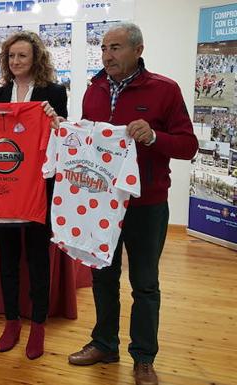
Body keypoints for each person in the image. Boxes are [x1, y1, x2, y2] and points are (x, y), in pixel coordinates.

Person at [66, 23, 198, 385]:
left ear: (139, 50)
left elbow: (188, 146)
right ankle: (104, 344)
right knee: (102, 277)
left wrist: (154, 137)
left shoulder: (164, 90)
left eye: (116, 47)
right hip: (99, 203)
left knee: (145, 284)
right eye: (104, 48)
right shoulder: (94, 89)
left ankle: (143, 357)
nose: (107, 55)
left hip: (146, 203)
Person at [0, 31, 67, 359]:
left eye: (22, 56)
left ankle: (38, 325)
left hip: (37, 187)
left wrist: (55, 119)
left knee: (38, 259)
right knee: (7, 259)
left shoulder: (53, 92)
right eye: (11, 57)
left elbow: (61, 135)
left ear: (36, 57)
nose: (16, 62)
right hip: (4, 191)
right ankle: (11, 322)